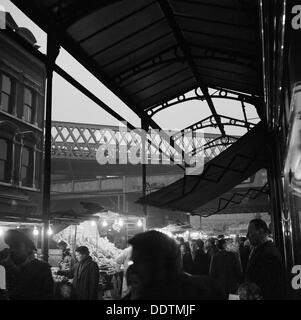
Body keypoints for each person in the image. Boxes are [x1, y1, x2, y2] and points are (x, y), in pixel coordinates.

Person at [127, 230, 226, 300]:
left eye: (139, 262)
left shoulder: (207, 291)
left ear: (159, 263)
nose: (132, 270)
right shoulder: (140, 292)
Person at [0, 230, 54, 300]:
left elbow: (47, 296)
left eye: (17, 246)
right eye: (11, 246)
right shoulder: (4, 267)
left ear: (28, 248)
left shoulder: (42, 268)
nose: (12, 250)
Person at [245, 219, 286, 300]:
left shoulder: (268, 254)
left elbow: (268, 286)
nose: (247, 235)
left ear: (261, 231)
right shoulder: (262, 250)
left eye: (250, 232)